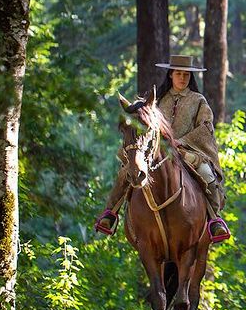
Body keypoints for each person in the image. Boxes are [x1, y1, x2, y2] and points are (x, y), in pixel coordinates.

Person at [94, 54, 230, 242]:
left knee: (207, 175)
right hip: (157, 152)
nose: (182, 78)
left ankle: (215, 220)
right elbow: (142, 122)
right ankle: (110, 214)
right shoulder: (157, 101)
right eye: (178, 74)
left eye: (186, 75)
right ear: (171, 75)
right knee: (127, 172)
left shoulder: (198, 100)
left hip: (188, 151)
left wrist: (182, 141)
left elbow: (206, 127)